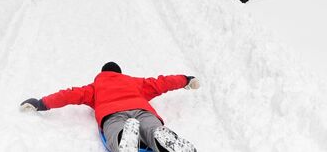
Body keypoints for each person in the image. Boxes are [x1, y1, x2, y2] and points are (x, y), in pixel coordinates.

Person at [20, 62, 199, 152]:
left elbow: (69, 95)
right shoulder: (135, 83)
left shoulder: (94, 87)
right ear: (119, 73)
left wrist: (41, 103)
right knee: (151, 126)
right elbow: (161, 82)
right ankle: (159, 135)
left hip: (112, 113)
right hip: (142, 109)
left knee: (115, 131)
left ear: (102, 73)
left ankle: (125, 138)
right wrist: (186, 80)